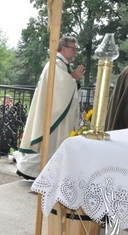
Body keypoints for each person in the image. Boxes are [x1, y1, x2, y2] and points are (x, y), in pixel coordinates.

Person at [13, 36, 84, 180]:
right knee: (50, 146)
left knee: (51, 147)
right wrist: (73, 79)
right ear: (63, 48)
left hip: (54, 112)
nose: (75, 52)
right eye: (73, 48)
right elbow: (61, 88)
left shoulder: (60, 65)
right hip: (54, 115)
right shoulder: (56, 64)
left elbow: (61, 86)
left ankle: (36, 171)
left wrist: (71, 78)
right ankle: (26, 168)